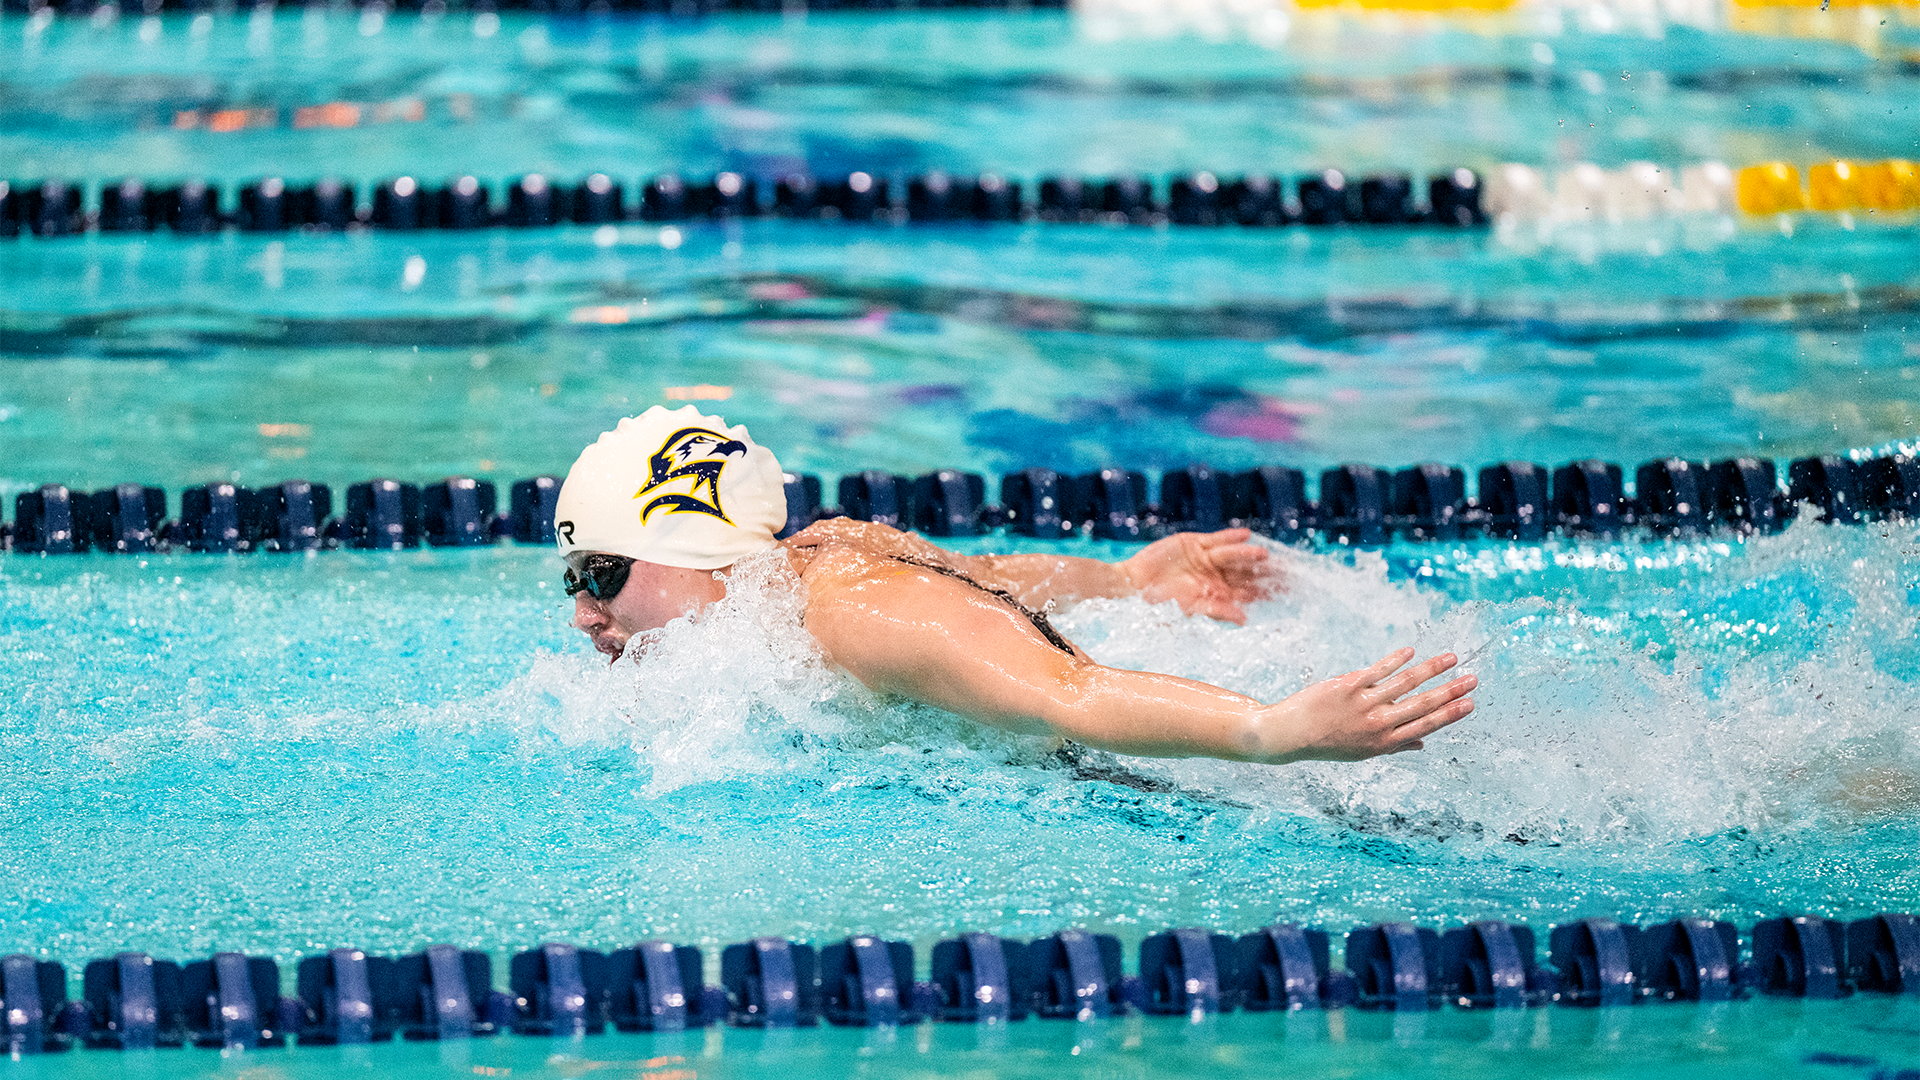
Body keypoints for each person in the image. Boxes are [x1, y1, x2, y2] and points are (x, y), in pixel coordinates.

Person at [556, 406, 1475, 766]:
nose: (583, 610)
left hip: (1144, 776)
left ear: (703, 549)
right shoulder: (819, 551)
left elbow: (1069, 693)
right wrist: (1125, 579)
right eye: (572, 580)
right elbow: (991, 580)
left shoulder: (850, 617)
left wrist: (1271, 731)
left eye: (601, 573)